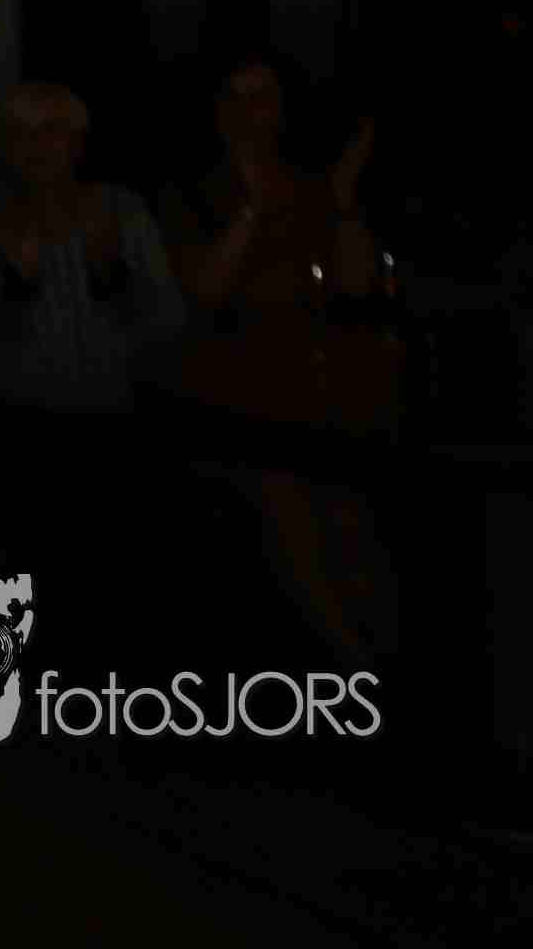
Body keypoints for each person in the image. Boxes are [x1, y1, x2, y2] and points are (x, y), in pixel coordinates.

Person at [160, 55, 397, 670]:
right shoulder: (190, 193)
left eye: (262, 97)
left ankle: (388, 658)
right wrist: (250, 210)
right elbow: (203, 291)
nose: (250, 114)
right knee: (287, 497)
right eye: (236, 99)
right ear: (217, 112)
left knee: (352, 506)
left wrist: (342, 200)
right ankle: (354, 667)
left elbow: (355, 286)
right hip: (235, 398)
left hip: (321, 386)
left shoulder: (309, 186)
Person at [0, 81, 185, 416]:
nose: (36, 145)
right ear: (3, 147)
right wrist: (18, 288)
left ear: (78, 141)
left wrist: (110, 272)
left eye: (50, 129)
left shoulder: (124, 213)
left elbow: (168, 326)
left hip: (119, 412)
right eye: (19, 133)